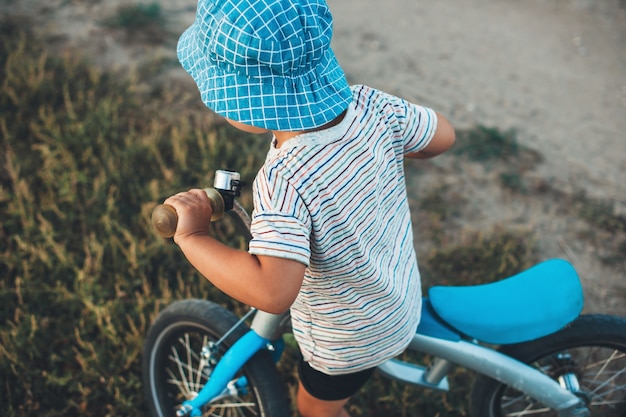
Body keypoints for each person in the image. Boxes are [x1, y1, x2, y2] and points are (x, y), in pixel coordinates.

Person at [164, 0, 456, 416]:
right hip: (399, 293)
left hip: (348, 337)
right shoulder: (372, 107)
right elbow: (443, 136)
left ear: (250, 100)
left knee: (314, 410)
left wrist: (192, 236)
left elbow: (272, 291)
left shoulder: (284, 180)